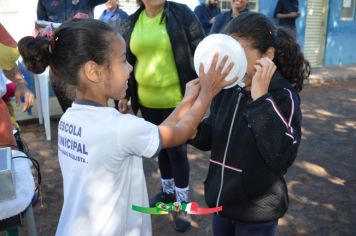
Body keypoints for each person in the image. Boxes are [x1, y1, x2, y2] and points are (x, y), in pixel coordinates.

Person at [18, 18, 234, 236]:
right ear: (94, 71)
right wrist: (207, 93)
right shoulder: (118, 127)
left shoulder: (70, 119)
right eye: (122, 60)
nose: (130, 67)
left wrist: (186, 101)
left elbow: (159, 132)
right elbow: (180, 133)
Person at [189, 12, 311, 235]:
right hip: (221, 203)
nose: (232, 64)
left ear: (268, 56)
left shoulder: (283, 96)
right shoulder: (228, 90)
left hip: (256, 213)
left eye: (240, 55)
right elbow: (213, 136)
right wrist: (191, 127)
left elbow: (282, 156)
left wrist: (261, 99)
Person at [117, 0, 205, 232]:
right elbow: (127, 61)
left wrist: (204, 89)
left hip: (177, 101)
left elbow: (200, 47)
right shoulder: (131, 22)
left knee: (177, 152)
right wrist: (125, 95)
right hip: (146, 101)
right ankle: (167, 193)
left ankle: (182, 203)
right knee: (160, 150)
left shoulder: (181, 14)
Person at [36, 0, 106, 112]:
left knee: (92, 107)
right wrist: (45, 33)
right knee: (68, 108)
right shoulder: (44, 1)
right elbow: (40, 26)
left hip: (85, 59)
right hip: (59, 62)